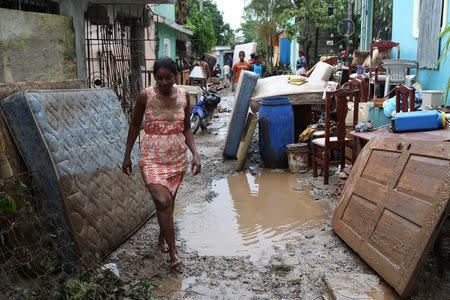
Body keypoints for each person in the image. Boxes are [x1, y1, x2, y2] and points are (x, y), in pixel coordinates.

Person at [122, 56, 201, 268]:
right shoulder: (144, 96)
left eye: (168, 78)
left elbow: (186, 128)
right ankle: (174, 253)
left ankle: (162, 236)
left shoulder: (184, 97)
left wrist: (194, 153)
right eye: (159, 78)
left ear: (176, 76)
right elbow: (135, 126)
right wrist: (127, 155)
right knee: (163, 201)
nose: (164, 83)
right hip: (151, 159)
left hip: (176, 159)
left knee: (168, 203)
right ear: (154, 77)